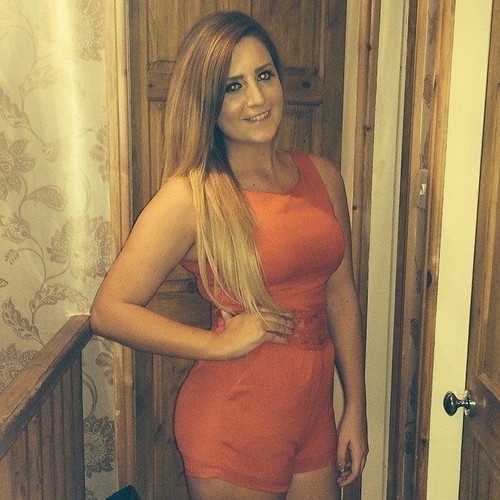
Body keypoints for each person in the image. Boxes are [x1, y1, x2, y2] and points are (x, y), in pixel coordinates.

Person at [90, 10, 368, 500]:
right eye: (232, 87)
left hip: (314, 416)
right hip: (235, 421)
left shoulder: (323, 176)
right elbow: (109, 311)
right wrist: (218, 345)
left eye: (264, 75)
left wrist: (356, 408)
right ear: (208, 103)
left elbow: (340, 294)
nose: (256, 98)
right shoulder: (192, 195)